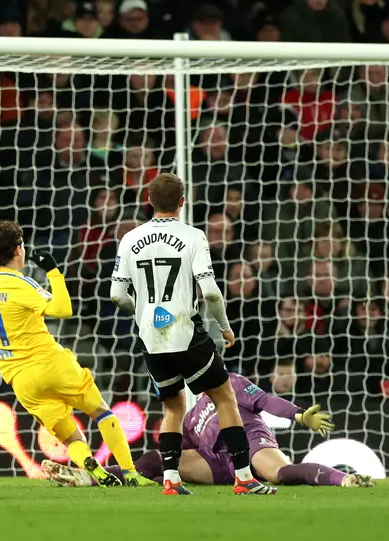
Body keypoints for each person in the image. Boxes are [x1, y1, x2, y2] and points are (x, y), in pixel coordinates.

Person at [109, 172, 275, 496]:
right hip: (186, 331)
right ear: (182, 202)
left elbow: (116, 295)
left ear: (149, 200)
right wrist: (224, 327)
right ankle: (244, 477)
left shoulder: (129, 239)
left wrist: (142, 312)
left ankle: (171, 478)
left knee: (173, 406)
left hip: (151, 337)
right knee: (225, 397)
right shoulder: (193, 236)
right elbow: (210, 291)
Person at [0, 220, 153, 487]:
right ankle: (130, 473)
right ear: (18, 249)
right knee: (101, 413)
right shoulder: (20, 284)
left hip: (21, 379)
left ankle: (92, 467)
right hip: (51, 364)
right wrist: (53, 272)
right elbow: (62, 309)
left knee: (72, 439)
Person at [43, 372, 373, 489]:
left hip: (250, 442)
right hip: (217, 462)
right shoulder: (189, 416)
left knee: (279, 474)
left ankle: (343, 479)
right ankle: (91, 476)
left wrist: (299, 415)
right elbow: (179, 447)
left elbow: (266, 401)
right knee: (159, 462)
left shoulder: (231, 383)